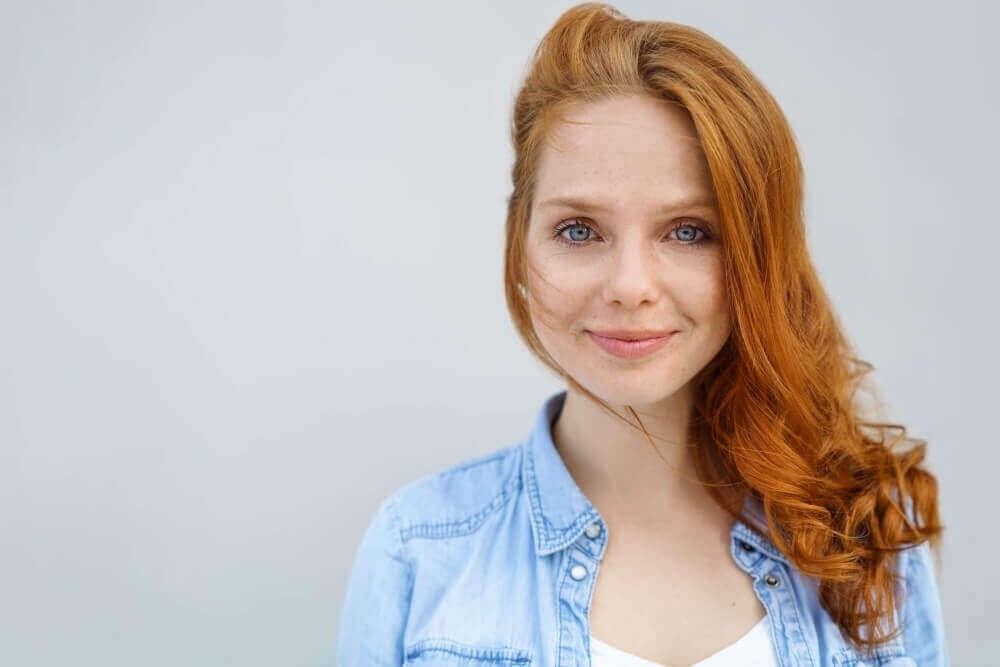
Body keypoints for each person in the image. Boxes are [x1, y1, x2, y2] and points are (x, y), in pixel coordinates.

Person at [336, 3, 948, 665]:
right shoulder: (418, 548)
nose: (631, 285)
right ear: (519, 247)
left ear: (755, 256)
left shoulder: (865, 538)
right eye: (578, 230)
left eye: (688, 231)